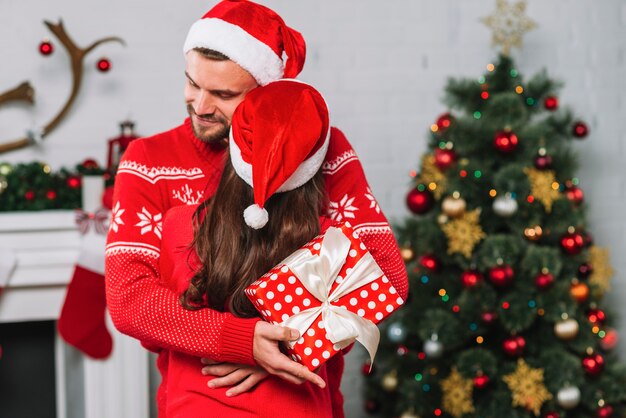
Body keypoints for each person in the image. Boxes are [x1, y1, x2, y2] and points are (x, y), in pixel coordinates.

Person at [105, 1, 408, 416]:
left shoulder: (320, 151)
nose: (200, 105)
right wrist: (241, 340)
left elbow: (385, 276)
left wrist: (285, 347)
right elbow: (128, 299)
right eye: (192, 83)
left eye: (224, 94)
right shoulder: (149, 160)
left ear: (266, 92)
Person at [162, 79, 341, 417]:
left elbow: (155, 335)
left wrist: (240, 343)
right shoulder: (331, 243)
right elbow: (343, 331)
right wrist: (277, 351)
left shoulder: (179, 226)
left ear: (233, 149)